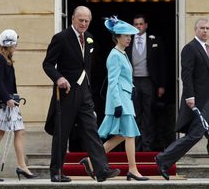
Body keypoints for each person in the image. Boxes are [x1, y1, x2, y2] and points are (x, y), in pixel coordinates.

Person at [43, 6, 120, 182]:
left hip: (85, 92)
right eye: (81, 20)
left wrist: (88, 88)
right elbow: (47, 64)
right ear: (72, 19)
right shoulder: (61, 38)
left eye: (87, 21)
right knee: (62, 133)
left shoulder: (90, 38)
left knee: (92, 130)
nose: (84, 23)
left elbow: (87, 67)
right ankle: (57, 172)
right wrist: (59, 78)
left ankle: (101, 170)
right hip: (67, 91)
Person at [80, 16, 149, 181]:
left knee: (123, 136)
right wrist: (118, 104)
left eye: (130, 36)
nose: (129, 39)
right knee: (130, 134)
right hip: (121, 101)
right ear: (117, 37)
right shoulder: (115, 55)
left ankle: (90, 161)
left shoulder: (122, 54)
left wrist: (131, 89)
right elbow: (113, 81)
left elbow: (124, 78)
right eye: (126, 36)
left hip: (125, 99)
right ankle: (132, 169)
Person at [155, 18, 209, 180]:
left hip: (207, 100)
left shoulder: (207, 48)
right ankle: (163, 159)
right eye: (202, 28)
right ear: (195, 30)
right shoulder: (190, 48)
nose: (205, 31)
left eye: (207, 28)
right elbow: (186, 74)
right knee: (196, 134)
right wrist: (189, 96)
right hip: (198, 101)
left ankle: (164, 159)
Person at [0, 29, 36, 181]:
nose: (17, 46)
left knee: (19, 131)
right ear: (9, 44)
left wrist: (14, 98)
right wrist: (7, 98)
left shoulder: (6, 58)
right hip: (4, 103)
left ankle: (21, 166)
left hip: (11, 102)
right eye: (15, 43)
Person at [125, 14, 166, 151]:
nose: (138, 26)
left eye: (140, 24)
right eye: (136, 24)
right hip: (133, 81)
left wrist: (161, 85)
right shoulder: (127, 40)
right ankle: (135, 146)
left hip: (149, 81)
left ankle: (147, 145)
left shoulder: (155, 40)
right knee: (135, 113)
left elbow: (162, 64)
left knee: (148, 113)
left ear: (146, 25)